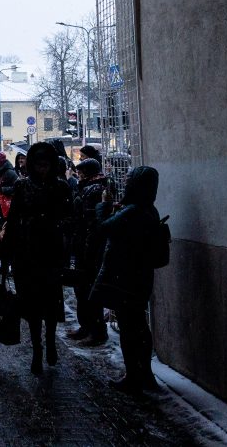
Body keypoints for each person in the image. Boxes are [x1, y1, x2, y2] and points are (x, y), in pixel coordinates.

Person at [0, 142, 73, 375]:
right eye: (39, 165)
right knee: (32, 306)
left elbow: (69, 218)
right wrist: (7, 255)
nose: (42, 169)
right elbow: (12, 220)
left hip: (50, 252)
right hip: (27, 252)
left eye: (46, 165)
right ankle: (37, 349)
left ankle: (50, 343)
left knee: (50, 305)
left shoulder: (60, 187)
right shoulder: (23, 186)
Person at [90, 166, 161, 393]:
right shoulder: (148, 209)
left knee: (130, 327)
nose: (125, 180)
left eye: (129, 178)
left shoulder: (133, 211)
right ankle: (145, 374)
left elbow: (102, 228)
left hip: (126, 275)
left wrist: (103, 206)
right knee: (138, 325)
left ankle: (133, 376)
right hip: (140, 276)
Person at [68, 158, 109, 345]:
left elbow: (90, 222)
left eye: (81, 172)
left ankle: (95, 330)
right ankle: (88, 327)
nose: (79, 175)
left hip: (90, 247)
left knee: (88, 290)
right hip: (85, 244)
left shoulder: (94, 189)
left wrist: (86, 245)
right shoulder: (90, 187)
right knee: (83, 289)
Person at [0, 151, 18, 218]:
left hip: (7, 209)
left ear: (0, 163)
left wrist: (2, 189)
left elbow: (17, 188)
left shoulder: (10, 173)